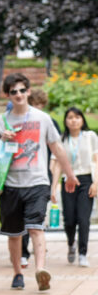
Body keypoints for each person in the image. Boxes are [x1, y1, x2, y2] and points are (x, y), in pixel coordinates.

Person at [0, 73, 77, 291]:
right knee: (15, 233)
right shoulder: (1, 121)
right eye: (13, 92)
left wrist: (70, 174)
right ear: (7, 95)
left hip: (37, 182)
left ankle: (40, 271)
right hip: (10, 184)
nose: (18, 95)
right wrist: (1, 139)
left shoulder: (42, 118)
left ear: (28, 91)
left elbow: (57, 147)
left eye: (21, 90)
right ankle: (18, 272)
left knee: (37, 228)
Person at [51, 107, 98, 267]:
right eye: (70, 117)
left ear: (82, 120)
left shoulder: (90, 136)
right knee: (69, 219)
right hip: (68, 181)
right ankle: (71, 243)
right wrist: (54, 187)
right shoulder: (61, 139)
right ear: (65, 121)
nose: (74, 120)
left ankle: (83, 253)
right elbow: (57, 165)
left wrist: (96, 183)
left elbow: (97, 160)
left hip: (86, 180)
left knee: (83, 219)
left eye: (77, 117)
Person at [20, 89, 62, 266]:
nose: (36, 108)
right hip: (23, 174)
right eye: (33, 104)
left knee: (37, 216)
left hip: (42, 175)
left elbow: (57, 150)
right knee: (21, 218)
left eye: (39, 105)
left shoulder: (48, 122)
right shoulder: (21, 120)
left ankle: (37, 247)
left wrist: (53, 177)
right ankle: (23, 252)